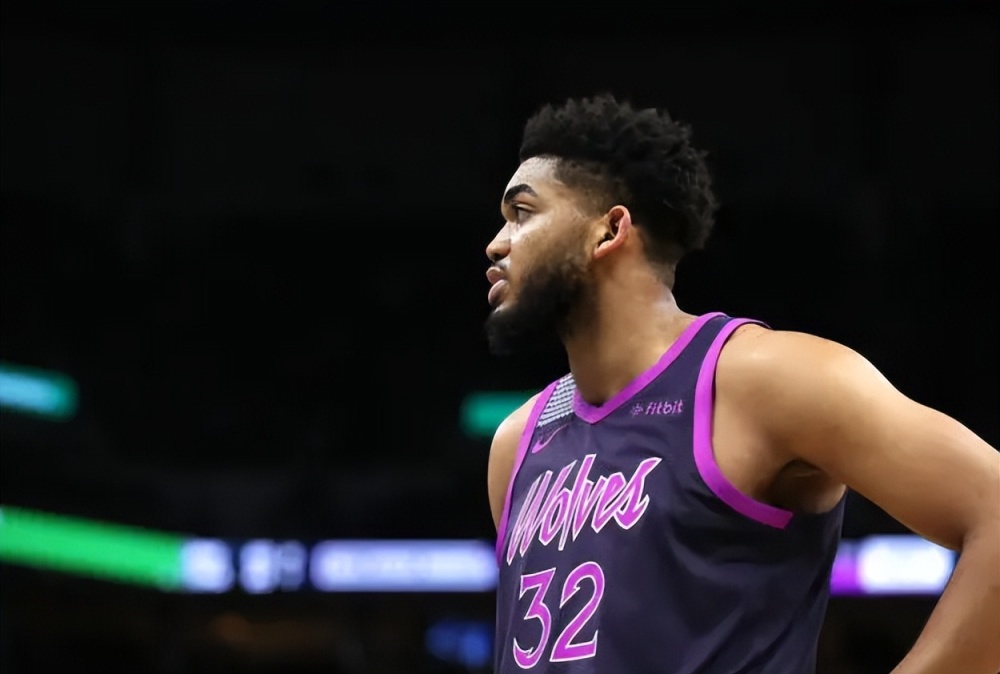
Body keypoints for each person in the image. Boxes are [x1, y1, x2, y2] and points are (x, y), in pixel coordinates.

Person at [483, 93, 999, 674]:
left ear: (610, 230)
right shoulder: (517, 442)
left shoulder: (764, 380)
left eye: (521, 212)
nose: (497, 243)